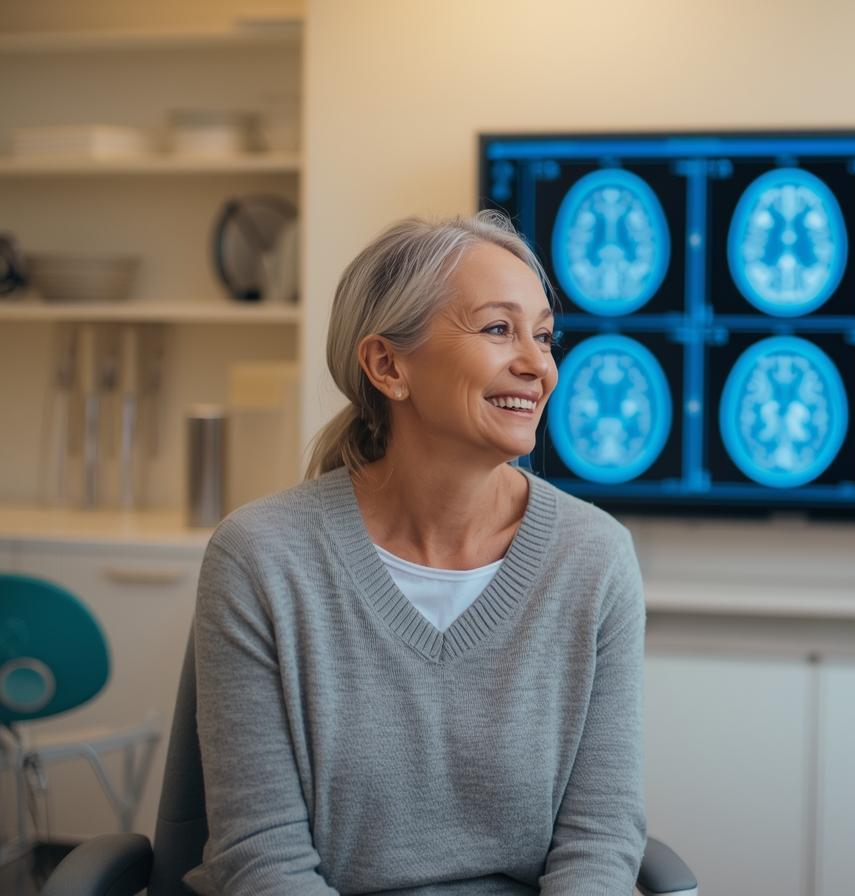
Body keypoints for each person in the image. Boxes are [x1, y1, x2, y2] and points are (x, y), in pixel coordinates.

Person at [186, 212, 647, 893]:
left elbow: (600, 842)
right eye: (499, 329)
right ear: (388, 365)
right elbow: (263, 859)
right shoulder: (261, 558)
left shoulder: (596, 557)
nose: (538, 365)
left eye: (545, 336)